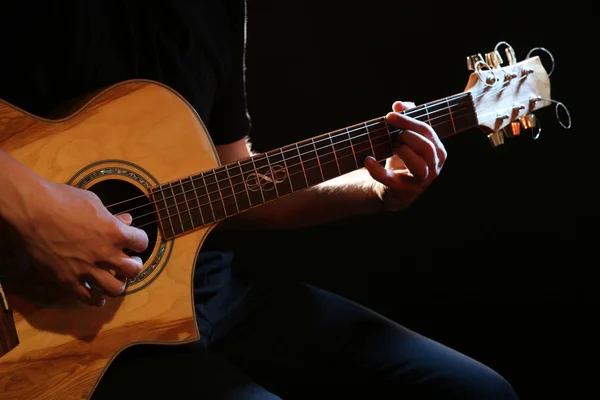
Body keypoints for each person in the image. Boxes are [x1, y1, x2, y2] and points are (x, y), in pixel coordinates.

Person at [0, 1, 518, 399]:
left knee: (478, 391)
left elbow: (230, 180)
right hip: (60, 329)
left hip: (211, 293)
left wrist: (376, 190)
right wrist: (33, 210)